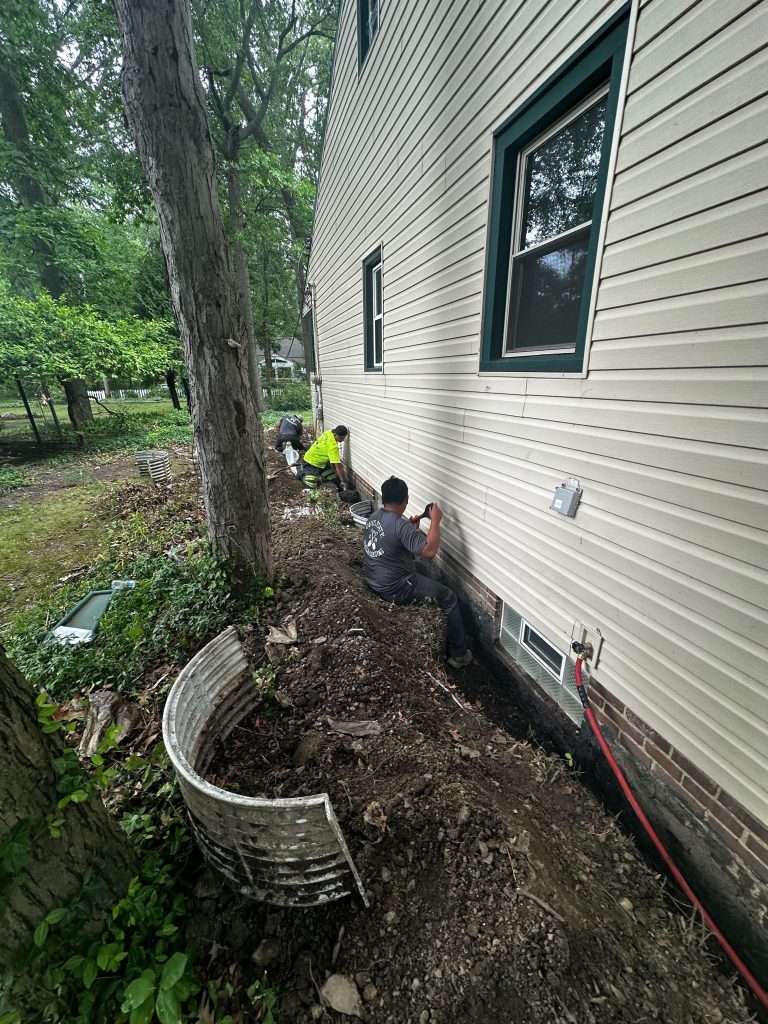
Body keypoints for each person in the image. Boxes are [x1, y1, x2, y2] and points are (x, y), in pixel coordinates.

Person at [362, 476, 472, 668]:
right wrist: (436, 521)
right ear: (406, 499)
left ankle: (429, 597)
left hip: (375, 579)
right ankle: (459, 655)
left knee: (420, 569)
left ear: (384, 497)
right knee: (448, 597)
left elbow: (391, 545)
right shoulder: (400, 525)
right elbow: (429, 552)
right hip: (395, 588)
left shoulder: (373, 518)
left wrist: (412, 530)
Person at [299, 425, 349, 492]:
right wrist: (344, 481)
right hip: (311, 462)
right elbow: (338, 466)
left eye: (344, 438)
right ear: (335, 434)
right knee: (311, 484)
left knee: (335, 479)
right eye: (341, 438)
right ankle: (302, 473)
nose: (342, 440)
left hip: (322, 465)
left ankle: (340, 491)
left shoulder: (328, 432)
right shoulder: (333, 447)